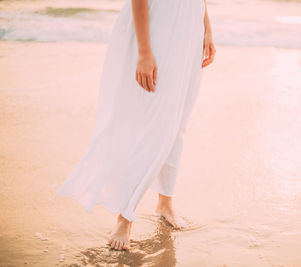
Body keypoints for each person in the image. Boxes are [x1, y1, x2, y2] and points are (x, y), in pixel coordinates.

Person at [56, 0, 215, 251]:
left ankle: (165, 202)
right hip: (159, 31)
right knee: (157, 127)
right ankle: (125, 216)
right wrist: (144, 53)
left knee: (177, 124)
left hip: (189, 31)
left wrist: (206, 28)